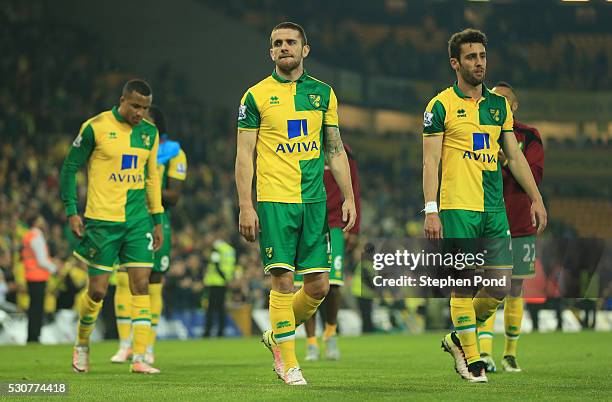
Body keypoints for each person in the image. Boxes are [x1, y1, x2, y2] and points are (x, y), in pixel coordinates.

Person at [422, 29, 547, 383]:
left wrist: (536, 198)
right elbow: (430, 162)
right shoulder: (440, 106)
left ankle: (457, 339)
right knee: (463, 285)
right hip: (457, 207)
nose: (479, 63)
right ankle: (473, 360)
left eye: (482, 56)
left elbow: (515, 158)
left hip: (493, 209)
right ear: (455, 63)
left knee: (499, 286)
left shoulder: (498, 106)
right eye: (471, 57)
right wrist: (431, 209)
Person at [234, 21, 356, 385]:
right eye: (277, 43)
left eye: (291, 42)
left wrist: (348, 196)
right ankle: (288, 362)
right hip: (274, 201)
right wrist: (245, 204)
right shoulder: (254, 96)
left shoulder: (323, 94)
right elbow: (244, 155)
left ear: (305, 49)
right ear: (271, 52)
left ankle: (278, 334)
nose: (284, 47)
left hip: (315, 201)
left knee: (319, 286)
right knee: (283, 281)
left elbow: (334, 150)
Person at [60, 79, 164, 374]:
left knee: (141, 284)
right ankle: (82, 344)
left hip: (137, 221)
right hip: (102, 221)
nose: (140, 113)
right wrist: (71, 210)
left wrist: (157, 219)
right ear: (122, 100)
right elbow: (69, 167)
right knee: (97, 291)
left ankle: (140, 357)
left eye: (145, 108)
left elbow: (152, 178)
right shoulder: (95, 126)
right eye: (135, 106)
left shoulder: (149, 133)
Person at [110, 105, 187, 365]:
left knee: (152, 282)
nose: (141, 121)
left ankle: (148, 346)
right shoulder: (128, 148)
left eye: (147, 119)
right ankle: (125, 345)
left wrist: (144, 188)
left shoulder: (174, 153)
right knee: (122, 280)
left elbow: (175, 197)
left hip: (157, 219)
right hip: (126, 217)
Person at [477, 82, 545, 373]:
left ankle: (510, 353)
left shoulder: (529, 135)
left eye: (502, 100)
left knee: (515, 286)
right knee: (490, 285)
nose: (496, 104)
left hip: (518, 220)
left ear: (513, 107)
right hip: (488, 218)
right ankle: (484, 353)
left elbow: (534, 174)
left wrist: (504, 160)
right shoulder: (479, 131)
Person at [296, 144, 361, 361]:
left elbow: (354, 189)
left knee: (333, 285)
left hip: (334, 224)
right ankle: (311, 343)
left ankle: (331, 334)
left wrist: (355, 228)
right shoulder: (303, 146)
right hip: (306, 222)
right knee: (306, 284)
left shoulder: (342, 152)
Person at [22, 214, 58, 343]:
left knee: (33, 307)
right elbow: (42, 260)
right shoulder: (37, 236)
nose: (43, 221)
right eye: (40, 219)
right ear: (36, 222)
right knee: (37, 308)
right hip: (38, 276)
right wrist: (54, 269)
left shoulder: (28, 235)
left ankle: (32, 336)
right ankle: (34, 336)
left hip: (30, 274)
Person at [203, 230, 236, 338]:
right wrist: (228, 279)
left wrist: (224, 278)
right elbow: (231, 266)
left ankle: (207, 332)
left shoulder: (216, 249)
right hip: (224, 283)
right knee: (221, 308)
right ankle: (221, 332)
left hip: (215, 282)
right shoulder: (231, 250)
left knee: (211, 309)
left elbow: (216, 264)